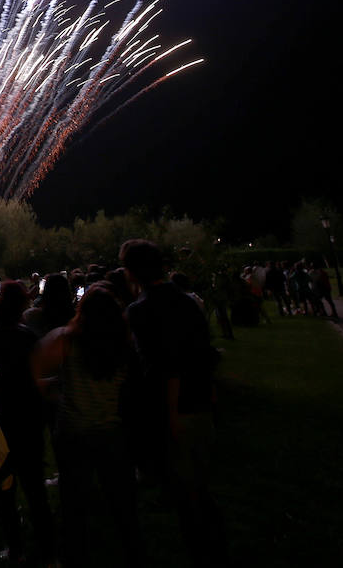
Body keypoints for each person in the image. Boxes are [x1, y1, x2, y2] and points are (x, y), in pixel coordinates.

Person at [123, 239, 225, 568]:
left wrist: (170, 415)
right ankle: (215, 544)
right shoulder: (188, 302)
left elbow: (166, 367)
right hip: (200, 403)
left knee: (184, 490)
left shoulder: (140, 310)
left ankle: (201, 551)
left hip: (174, 409)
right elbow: (205, 353)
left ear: (131, 271)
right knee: (201, 480)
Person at [34, 286, 143, 568]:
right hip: (111, 430)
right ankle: (132, 551)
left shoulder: (67, 341)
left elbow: (36, 369)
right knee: (122, 501)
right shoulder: (124, 342)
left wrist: (54, 389)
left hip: (73, 431)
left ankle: (74, 555)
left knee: (74, 503)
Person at [0, 280, 54, 567]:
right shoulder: (30, 338)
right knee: (36, 490)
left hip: (1, 421)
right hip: (29, 420)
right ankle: (48, 552)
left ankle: (16, 549)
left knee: (4, 491)